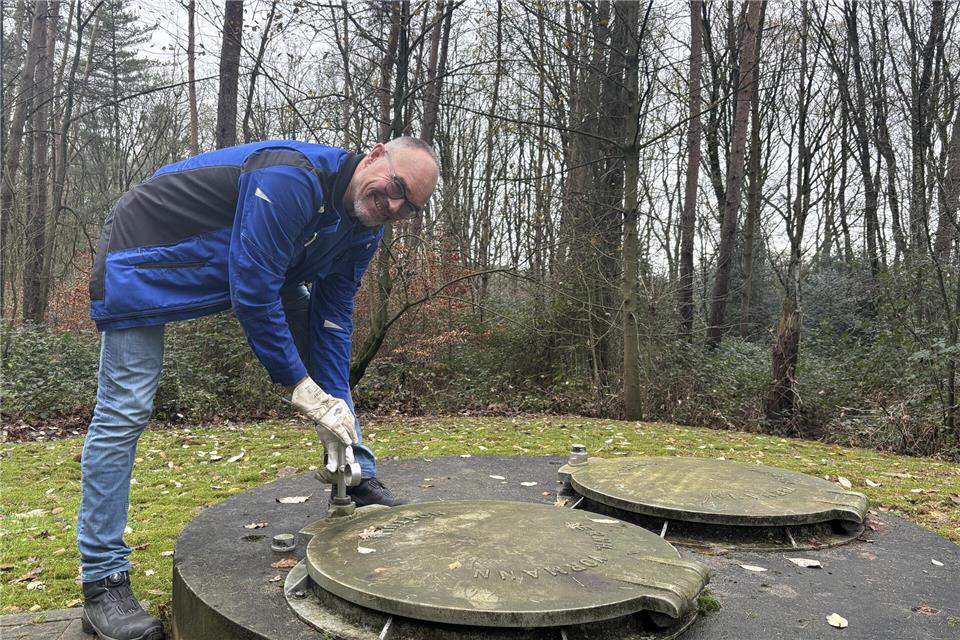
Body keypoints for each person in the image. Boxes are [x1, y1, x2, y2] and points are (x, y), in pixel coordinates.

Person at [77, 137, 440, 640]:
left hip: (244, 263)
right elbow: (253, 291)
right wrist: (299, 387)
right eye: (397, 187)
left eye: (410, 207)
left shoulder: (363, 228)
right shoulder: (292, 179)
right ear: (375, 154)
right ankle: (102, 583)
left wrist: (335, 413)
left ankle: (356, 479)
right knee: (126, 408)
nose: (395, 206)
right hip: (145, 249)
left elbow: (331, 323)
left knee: (322, 358)